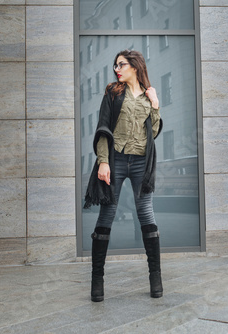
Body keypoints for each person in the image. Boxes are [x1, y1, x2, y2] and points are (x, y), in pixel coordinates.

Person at [84, 50, 163, 302]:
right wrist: (103, 161)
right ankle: (97, 281)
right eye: (115, 65)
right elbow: (103, 126)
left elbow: (154, 132)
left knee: (146, 213)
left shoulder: (149, 94)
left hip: (141, 162)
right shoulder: (113, 93)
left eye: (122, 64)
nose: (117, 68)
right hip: (116, 159)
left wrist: (156, 105)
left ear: (135, 67)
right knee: (107, 213)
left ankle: (156, 278)